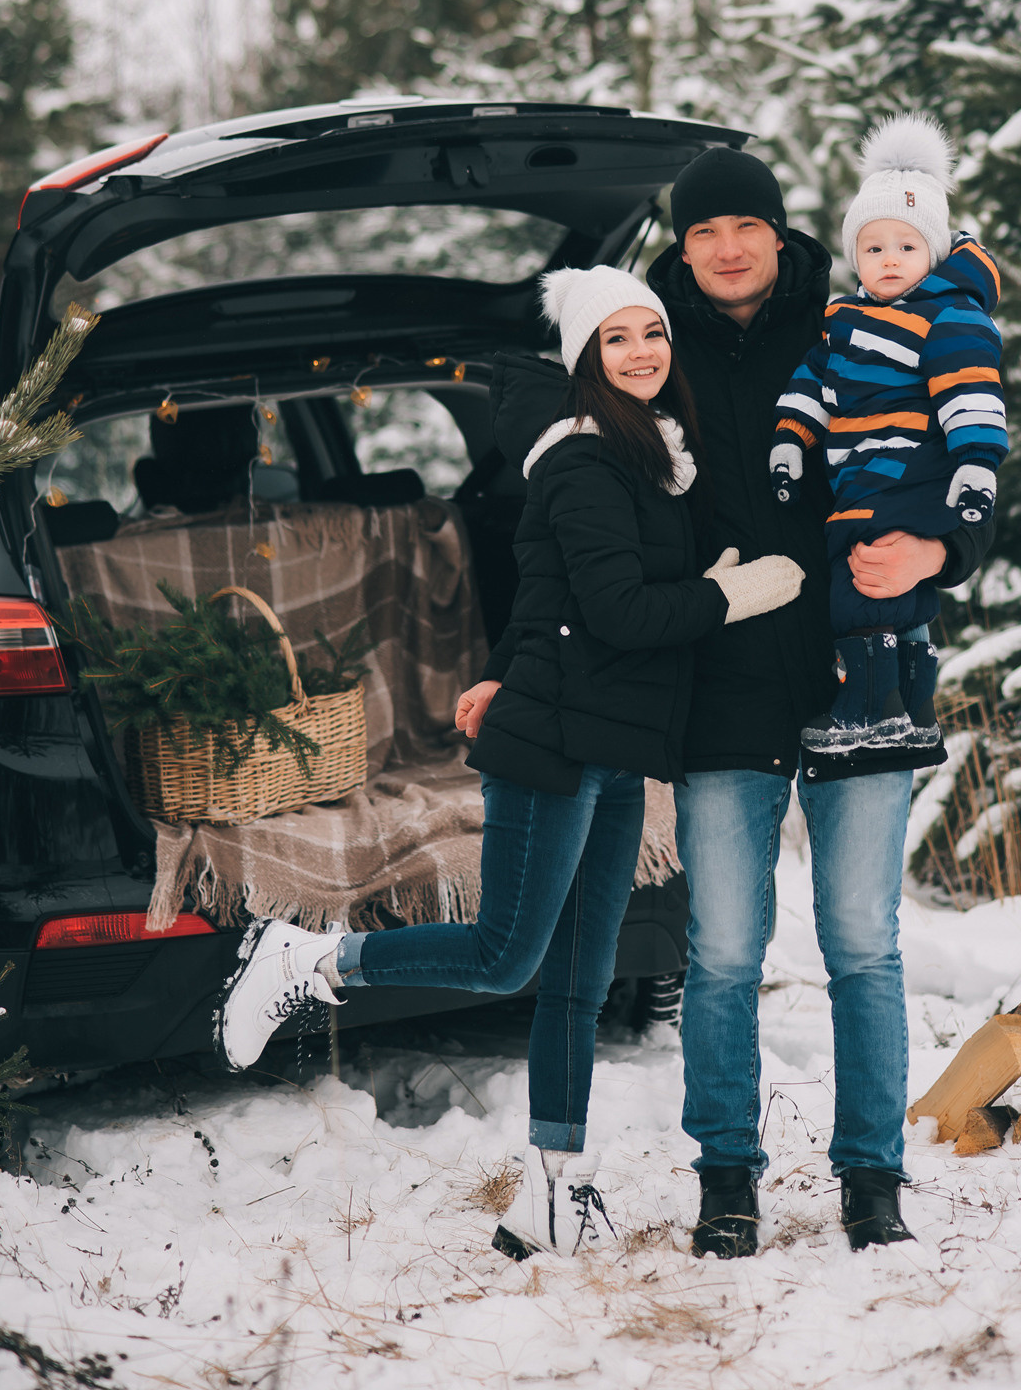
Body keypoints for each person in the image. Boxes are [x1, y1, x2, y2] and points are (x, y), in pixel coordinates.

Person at [215, 264, 802, 1258]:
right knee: (506, 954)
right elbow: (617, 612)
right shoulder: (585, 459)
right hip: (557, 742)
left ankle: (554, 1191)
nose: (641, 352)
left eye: (652, 333)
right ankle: (309, 956)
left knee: (580, 978)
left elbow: (544, 588)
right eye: (616, 338)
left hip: (615, 746)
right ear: (585, 358)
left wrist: (502, 666)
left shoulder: (654, 455)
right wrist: (725, 597)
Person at [643, 141, 995, 1258]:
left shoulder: (854, 316)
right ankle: (726, 1179)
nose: (726, 248)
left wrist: (940, 549)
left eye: (744, 225)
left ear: (781, 231)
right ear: (681, 246)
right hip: (721, 679)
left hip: (863, 661)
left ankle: (871, 1177)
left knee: (859, 941)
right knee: (723, 951)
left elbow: (964, 435)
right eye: (703, 231)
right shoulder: (650, 349)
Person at [769, 113, 1007, 773]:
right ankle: (911, 710)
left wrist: (976, 464)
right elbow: (812, 382)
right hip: (867, 477)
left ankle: (868, 707)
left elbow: (971, 392)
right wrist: (790, 440)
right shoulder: (843, 320)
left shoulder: (948, 316)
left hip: (909, 474)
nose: (889, 260)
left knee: (860, 585)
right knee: (895, 598)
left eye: (906, 245)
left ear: (934, 253)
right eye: (873, 249)